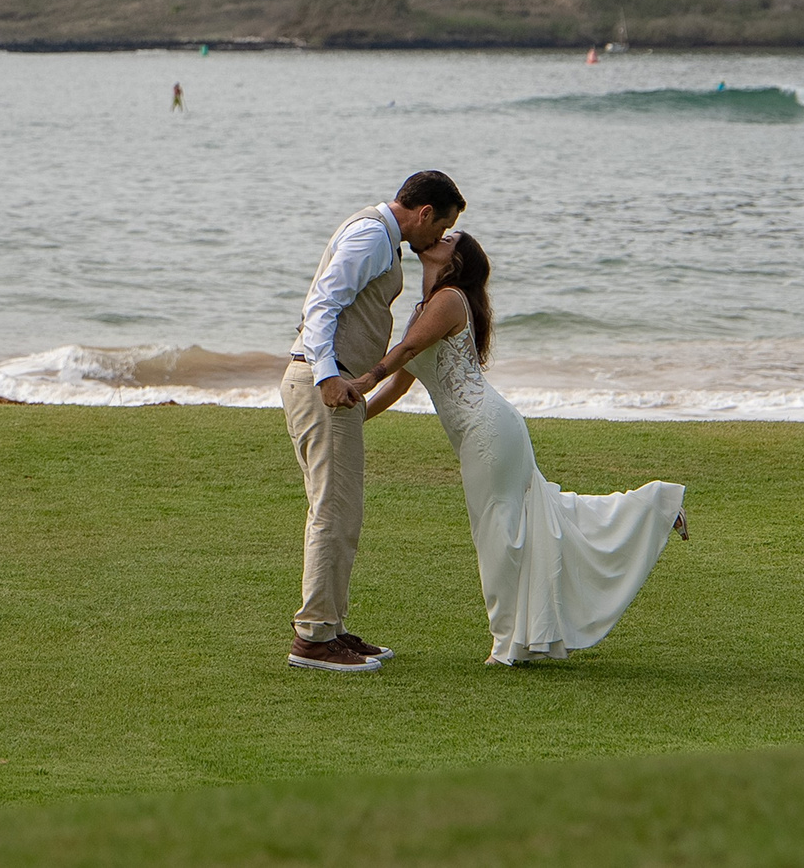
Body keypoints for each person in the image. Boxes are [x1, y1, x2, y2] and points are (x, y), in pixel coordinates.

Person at [352, 231, 686, 665]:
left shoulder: (450, 298)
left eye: (449, 237)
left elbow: (407, 350)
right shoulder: (425, 308)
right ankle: (652, 507)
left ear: (456, 261)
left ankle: (507, 644)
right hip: (489, 430)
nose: (438, 236)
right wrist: (356, 416)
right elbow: (403, 381)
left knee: (499, 534)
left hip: (488, 430)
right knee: (537, 518)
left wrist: (362, 379)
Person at [280, 170, 466, 673]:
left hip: (335, 384)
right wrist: (326, 377)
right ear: (425, 213)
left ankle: (332, 626)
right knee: (334, 511)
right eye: (441, 226)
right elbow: (322, 303)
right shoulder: (370, 235)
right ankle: (314, 637)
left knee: (342, 509)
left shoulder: (382, 237)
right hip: (326, 384)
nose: (438, 239)